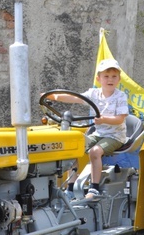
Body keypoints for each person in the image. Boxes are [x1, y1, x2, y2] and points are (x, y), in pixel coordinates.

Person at [49, 58, 129, 199]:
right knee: (74, 148)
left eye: (114, 76)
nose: (110, 79)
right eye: (106, 76)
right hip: (98, 133)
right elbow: (73, 98)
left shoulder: (120, 97)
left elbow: (120, 119)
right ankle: (70, 187)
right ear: (98, 79)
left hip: (115, 136)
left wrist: (104, 119)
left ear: (119, 79)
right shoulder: (93, 94)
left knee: (95, 151)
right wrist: (55, 96)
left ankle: (94, 188)